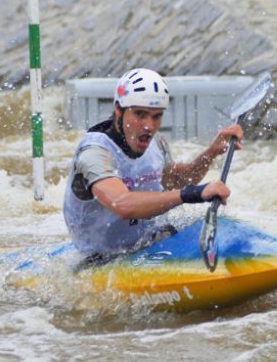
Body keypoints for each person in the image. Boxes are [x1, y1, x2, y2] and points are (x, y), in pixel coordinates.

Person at [63, 68, 243, 258]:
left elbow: (175, 181)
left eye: (156, 116)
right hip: (100, 260)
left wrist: (211, 152)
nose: (149, 126)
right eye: (140, 114)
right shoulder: (94, 153)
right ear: (119, 110)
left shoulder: (155, 143)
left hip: (147, 246)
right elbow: (122, 204)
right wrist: (195, 193)